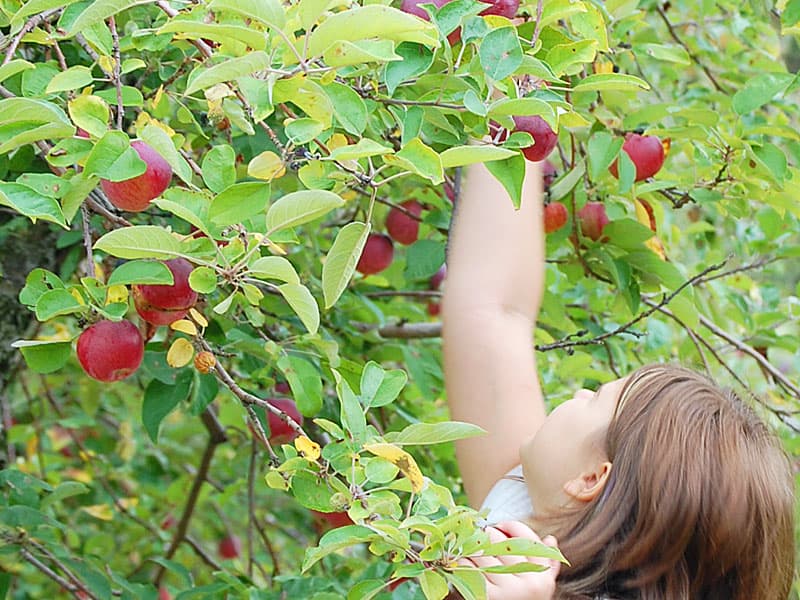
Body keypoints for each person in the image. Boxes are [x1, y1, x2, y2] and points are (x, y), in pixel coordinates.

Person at [441, 157, 796, 599]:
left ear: (591, 479)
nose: (577, 391)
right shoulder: (525, 515)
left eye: (595, 396)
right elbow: (494, 315)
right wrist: (517, 128)